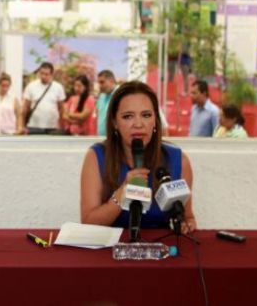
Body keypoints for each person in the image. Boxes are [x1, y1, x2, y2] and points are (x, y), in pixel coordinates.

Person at [80, 81, 197, 233]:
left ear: (155, 120)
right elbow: (88, 222)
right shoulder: (96, 157)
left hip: (160, 246)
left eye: (146, 115)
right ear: (115, 122)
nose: (138, 124)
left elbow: (188, 218)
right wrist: (122, 193)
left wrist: (186, 225)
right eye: (128, 116)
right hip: (113, 246)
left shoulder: (178, 160)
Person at [22, 62, 66, 135]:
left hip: (52, 127)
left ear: (51, 74)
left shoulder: (58, 87)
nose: (43, 76)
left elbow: (61, 109)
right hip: (33, 126)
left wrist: (62, 126)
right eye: (41, 73)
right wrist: (22, 126)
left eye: (46, 74)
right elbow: (25, 108)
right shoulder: (31, 86)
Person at [95, 70, 117, 136]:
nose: (100, 86)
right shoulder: (101, 96)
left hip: (114, 138)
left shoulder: (119, 95)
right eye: (99, 83)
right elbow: (98, 114)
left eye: (102, 82)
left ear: (112, 81)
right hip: (100, 137)